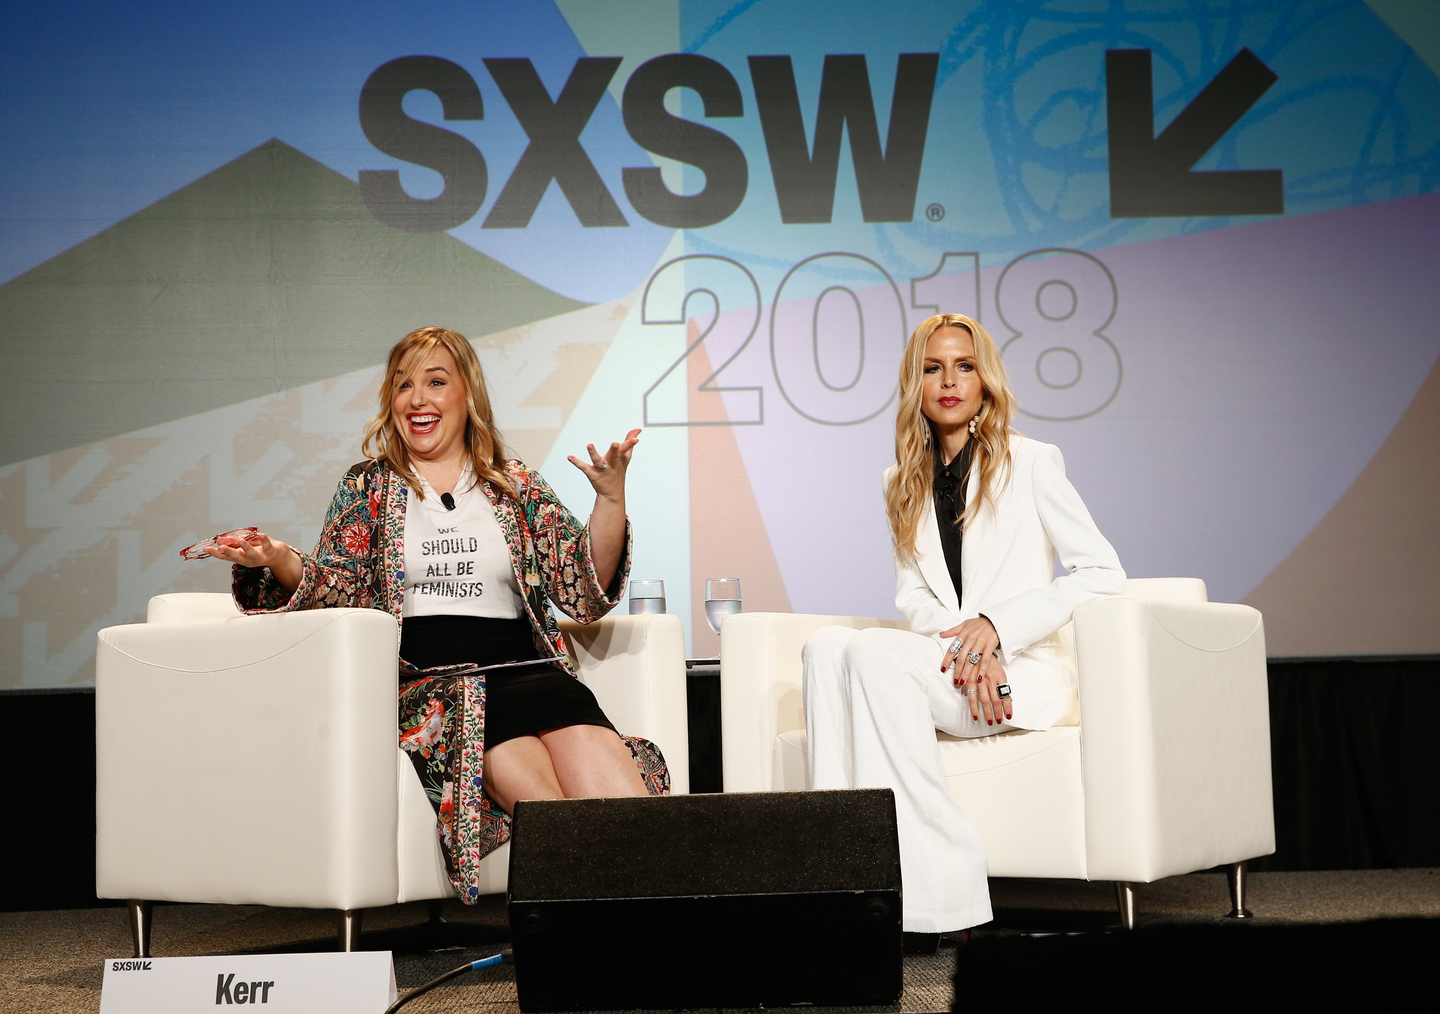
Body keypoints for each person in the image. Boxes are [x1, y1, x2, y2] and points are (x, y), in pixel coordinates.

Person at [202, 325, 667, 902]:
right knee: (553, 816)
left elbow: (582, 586)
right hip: (442, 689)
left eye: (435, 382)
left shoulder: (512, 483)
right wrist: (277, 558)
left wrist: (611, 500)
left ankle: (661, 939)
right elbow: (334, 586)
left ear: (466, 395)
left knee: (624, 808)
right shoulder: (368, 486)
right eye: (403, 385)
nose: (416, 399)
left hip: (532, 670)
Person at [802, 313, 1124, 950]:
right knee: (823, 649)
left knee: (871, 652)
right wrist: (966, 644)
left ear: (986, 382)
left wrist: (997, 631)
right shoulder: (901, 482)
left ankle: (941, 898)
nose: (949, 380)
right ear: (914, 384)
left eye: (965, 366)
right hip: (960, 667)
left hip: (1020, 674)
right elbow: (916, 599)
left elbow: (1102, 572)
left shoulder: (1031, 462)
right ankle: (845, 885)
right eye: (932, 367)